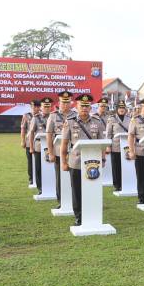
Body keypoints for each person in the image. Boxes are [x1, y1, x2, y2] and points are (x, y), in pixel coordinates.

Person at [60, 94, 105, 226]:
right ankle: (79, 216)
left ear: (90, 107)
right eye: (82, 105)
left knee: (93, 188)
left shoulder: (97, 121)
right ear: (77, 106)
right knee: (77, 191)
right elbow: (64, 144)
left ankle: (93, 214)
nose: (85, 108)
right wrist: (63, 161)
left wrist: (103, 159)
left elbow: (102, 142)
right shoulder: (70, 121)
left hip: (93, 162)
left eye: (87, 105)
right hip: (76, 161)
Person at [47, 91, 76, 205]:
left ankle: (74, 199)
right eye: (63, 103)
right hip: (59, 151)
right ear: (59, 103)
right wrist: (50, 152)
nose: (65, 105)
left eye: (67, 102)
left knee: (74, 177)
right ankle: (61, 201)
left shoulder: (75, 115)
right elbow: (49, 135)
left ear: (71, 103)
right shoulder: (53, 116)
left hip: (73, 151)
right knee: (60, 177)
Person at [28, 97, 52, 195]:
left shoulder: (54, 117)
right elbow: (31, 133)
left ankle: (51, 186)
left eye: (48, 106)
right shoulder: (36, 118)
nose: (46, 108)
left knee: (51, 167)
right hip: (39, 146)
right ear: (41, 107)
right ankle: (40, 188)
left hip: (51, 146)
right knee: (39, 168)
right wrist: (31, 147)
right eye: (44, 106)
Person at [105, 100, 131, 192]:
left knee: (126, 166)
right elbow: (108, 134)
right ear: (117, 109)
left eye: (123, 108)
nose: (121, 110)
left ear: (125, 109)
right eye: (120, 108)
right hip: (115, 146)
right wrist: (108, 146)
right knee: (116, 166)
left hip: (127, 146)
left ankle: (126, 183)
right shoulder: (112, 119)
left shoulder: (129, 118)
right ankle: (117, 185)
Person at [20, 100, 40, 184]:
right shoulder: (26, 116)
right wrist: (22, 140)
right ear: (31, 107)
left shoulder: (42, 116)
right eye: (34, 106)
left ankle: (40, 178)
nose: (35, 108)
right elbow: (23, 128)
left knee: (39, 162)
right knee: (30, 161)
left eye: (37, 106)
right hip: (29, 142)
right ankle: (31, 178)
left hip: (40, 143)